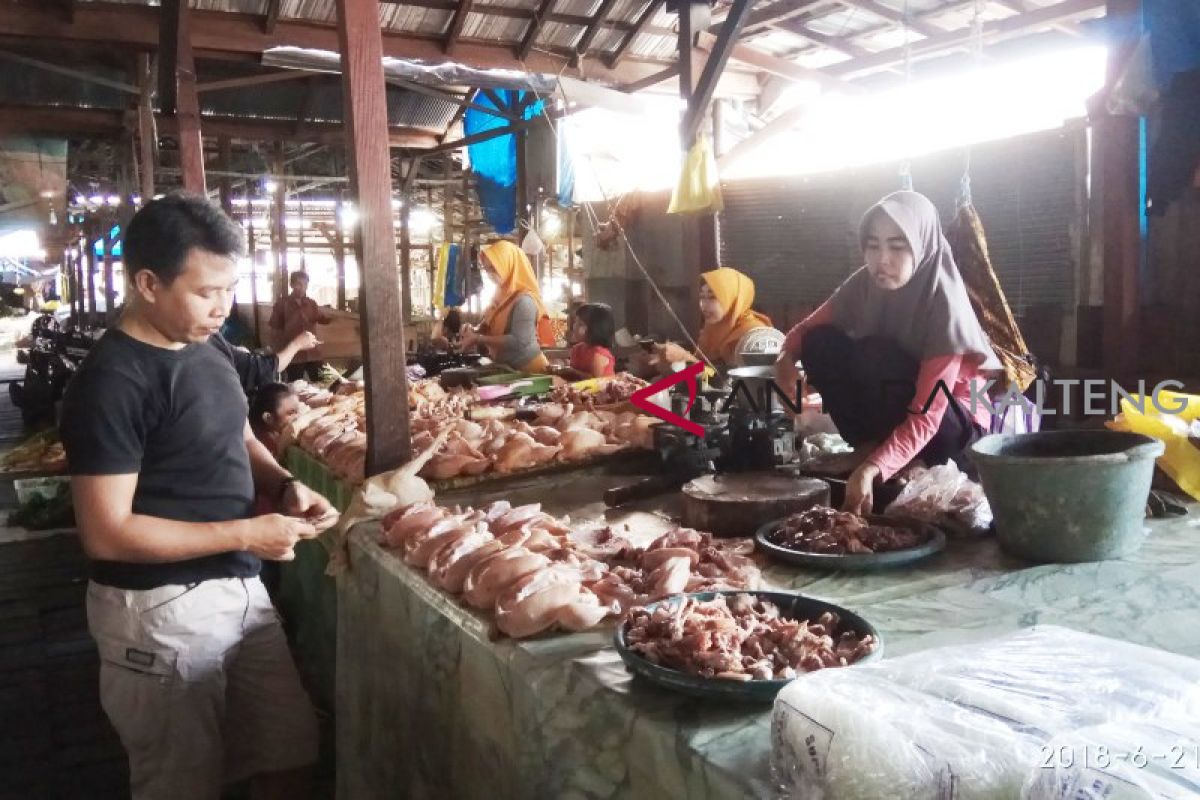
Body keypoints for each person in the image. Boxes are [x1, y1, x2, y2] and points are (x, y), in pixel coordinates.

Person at [59, 193, 337, 799]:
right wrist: (246, 534)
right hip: (161, 615)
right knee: (182, 783)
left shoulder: (205, 346)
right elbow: (107, 533)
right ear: (148, 283)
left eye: (230, 288)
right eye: (206, 291)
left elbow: (235, 433)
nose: (223, 307)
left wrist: (282, 486)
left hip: (239, 589)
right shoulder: (111, 383)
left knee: (289, 754)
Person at [775, 191, 1001, 516]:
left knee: (876, 355)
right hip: (905, 404)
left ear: (922, 245)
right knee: (820, 342)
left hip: (958, 428)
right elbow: (801, 334)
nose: (882, 259)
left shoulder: (944, 305)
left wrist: (872, 469)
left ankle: (894, 457)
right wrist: (783, 365)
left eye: (897, 246)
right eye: (873, 245)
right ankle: (871, 446)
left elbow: (927, 417)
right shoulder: (864, 284)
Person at [458, 240, 555, 373]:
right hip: (508, 368)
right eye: (486, 269)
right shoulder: (499, 296)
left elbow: (518, 341)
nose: (489, 274)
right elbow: (489, 325)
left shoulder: (525, 301)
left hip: (530, 370)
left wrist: (478, 339)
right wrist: (473, 331)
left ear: (509, 266)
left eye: (493, 269)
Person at [655, 267, 778, 371]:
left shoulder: (755, 337)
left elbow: (731, 384)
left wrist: (685, 359)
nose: (703, 304)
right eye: (702, 296)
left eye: (712, 297)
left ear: (733, 298)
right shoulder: (712, 329)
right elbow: (704, 375)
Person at [269, 270, 331, 382]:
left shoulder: (311, 303)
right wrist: (278, 352)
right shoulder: (282, 304)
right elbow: (275, 330)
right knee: (296, 386)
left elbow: (322, 319)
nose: (302, 288)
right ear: (291, 285)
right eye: (299, 284)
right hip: (294, 355)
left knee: (324, 383)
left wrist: (333, 317)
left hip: (313, 353)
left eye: (305, 284)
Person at [562, 302, 617, 379]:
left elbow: (596, 382)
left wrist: (572, 371)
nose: (574, 326)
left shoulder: (599, 354)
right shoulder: (577, 349)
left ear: (595, 329)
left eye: (580, 324)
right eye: (575, 322)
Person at [249, 382, 301, 459]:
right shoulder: (263, 448)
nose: (298, 417)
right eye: (291, 413)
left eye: (298, 411)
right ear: (268, 418)